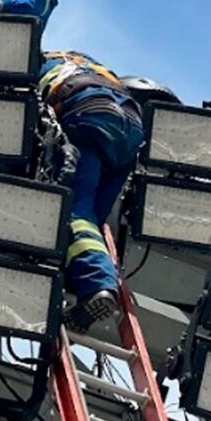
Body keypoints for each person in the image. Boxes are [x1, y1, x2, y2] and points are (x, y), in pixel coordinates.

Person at [39, 51, 145, 332]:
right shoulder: (83, 59)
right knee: (93, 220)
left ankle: (96, 284)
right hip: (130, 124)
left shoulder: (36, 58)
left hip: (87, 114)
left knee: (74, 210)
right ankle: (87, 277)